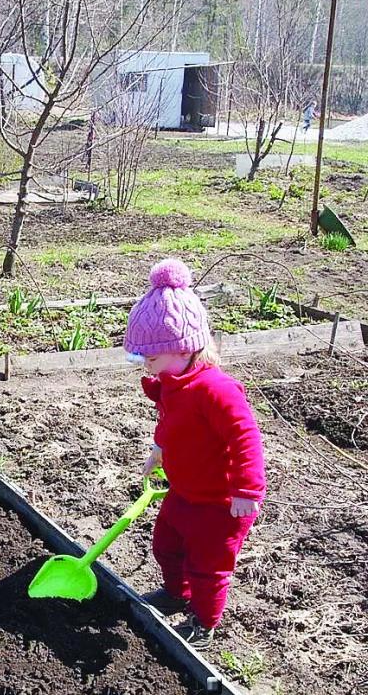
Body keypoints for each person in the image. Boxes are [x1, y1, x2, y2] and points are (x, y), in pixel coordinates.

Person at [123, 259, 266, 648]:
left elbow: (246, 438)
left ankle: (204, 623)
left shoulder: (216, 390)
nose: (145, 364)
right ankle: (175, 594)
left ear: (183, 347)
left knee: (209, 568)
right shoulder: (172, 380)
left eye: (151, 355)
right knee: (165, 545)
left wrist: (247, 491)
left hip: (220, 506)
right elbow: (171, 420)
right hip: (184, 491)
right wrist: (159, 448)